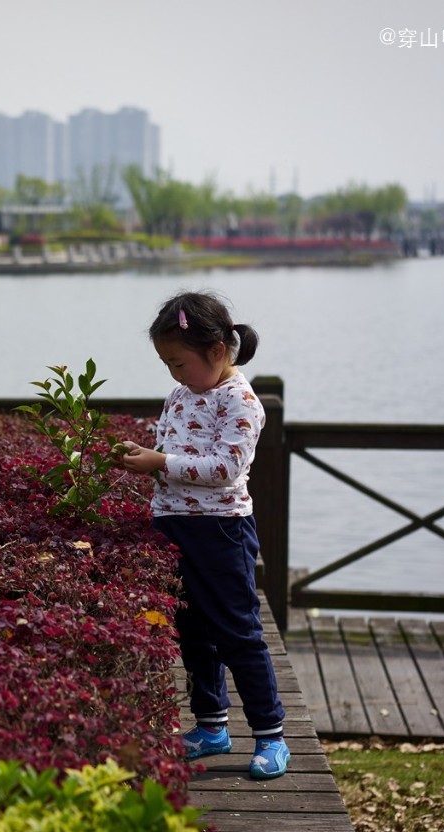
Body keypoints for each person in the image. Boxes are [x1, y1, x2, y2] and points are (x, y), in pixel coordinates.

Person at [116, 289, 289, 780]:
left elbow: (224, 469)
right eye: (167, 365)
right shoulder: (181, 394)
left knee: (238, 633)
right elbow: (171, 454)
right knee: (192, 631)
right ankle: (212, 725)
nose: (175, 374)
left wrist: (159, 463)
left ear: (217, 352)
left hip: (220, 531)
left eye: (179, 362)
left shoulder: (241, 401)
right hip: (172, 525)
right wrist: (142, 458)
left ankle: (271, 733)